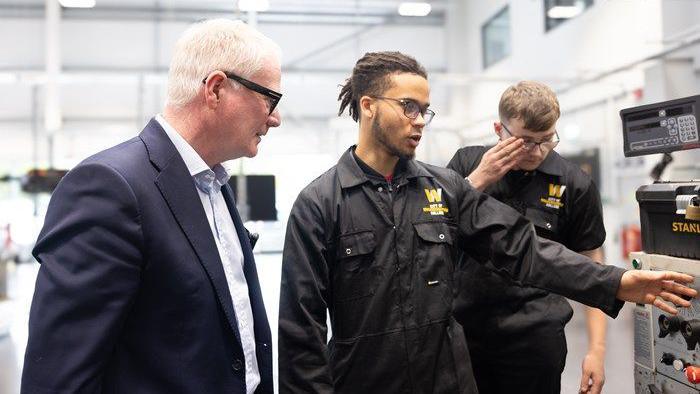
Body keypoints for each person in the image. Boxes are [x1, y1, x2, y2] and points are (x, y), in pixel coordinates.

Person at [277, 51, 695, 394]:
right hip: (366, 382)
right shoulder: (320, 203)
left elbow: (525, 250)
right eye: (408, 107)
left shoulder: (443, 188)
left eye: (425, 109)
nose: (420, 120)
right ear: (367, 106)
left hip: (449, 379)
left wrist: (615, 282)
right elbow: (301, 333)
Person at [21, 19, 281, 393]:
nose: (275, 118)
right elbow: (59, 378)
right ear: (217, 89)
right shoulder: (110, 187)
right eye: (269, 99)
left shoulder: (214, 184)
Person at [447, 81, 609, 394]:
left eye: (546, 139)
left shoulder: (574, 184)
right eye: (524, 141)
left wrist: (597, 350)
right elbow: (433, 229)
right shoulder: (466, 164)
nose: (536, 151)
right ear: (499, 129)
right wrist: (477, 180)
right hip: (465, 333)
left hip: (536, 337)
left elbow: (595, 269)